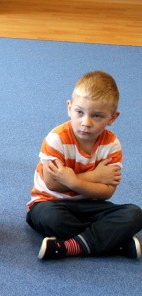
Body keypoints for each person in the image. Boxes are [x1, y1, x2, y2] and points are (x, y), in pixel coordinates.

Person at [26, 70, 142, 260]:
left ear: (112, 118)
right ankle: (113, 243)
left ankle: (70, 246)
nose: (86, 123)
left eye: (97, 116)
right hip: (51, 202)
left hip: (90, 205)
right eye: (79, 112)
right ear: (69, 108)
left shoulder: (112, 145)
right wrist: (94, 176)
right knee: (49, 218)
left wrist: (71, 179)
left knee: (134, 214)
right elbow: (53, 184)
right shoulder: (56, 138)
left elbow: (106, 192)